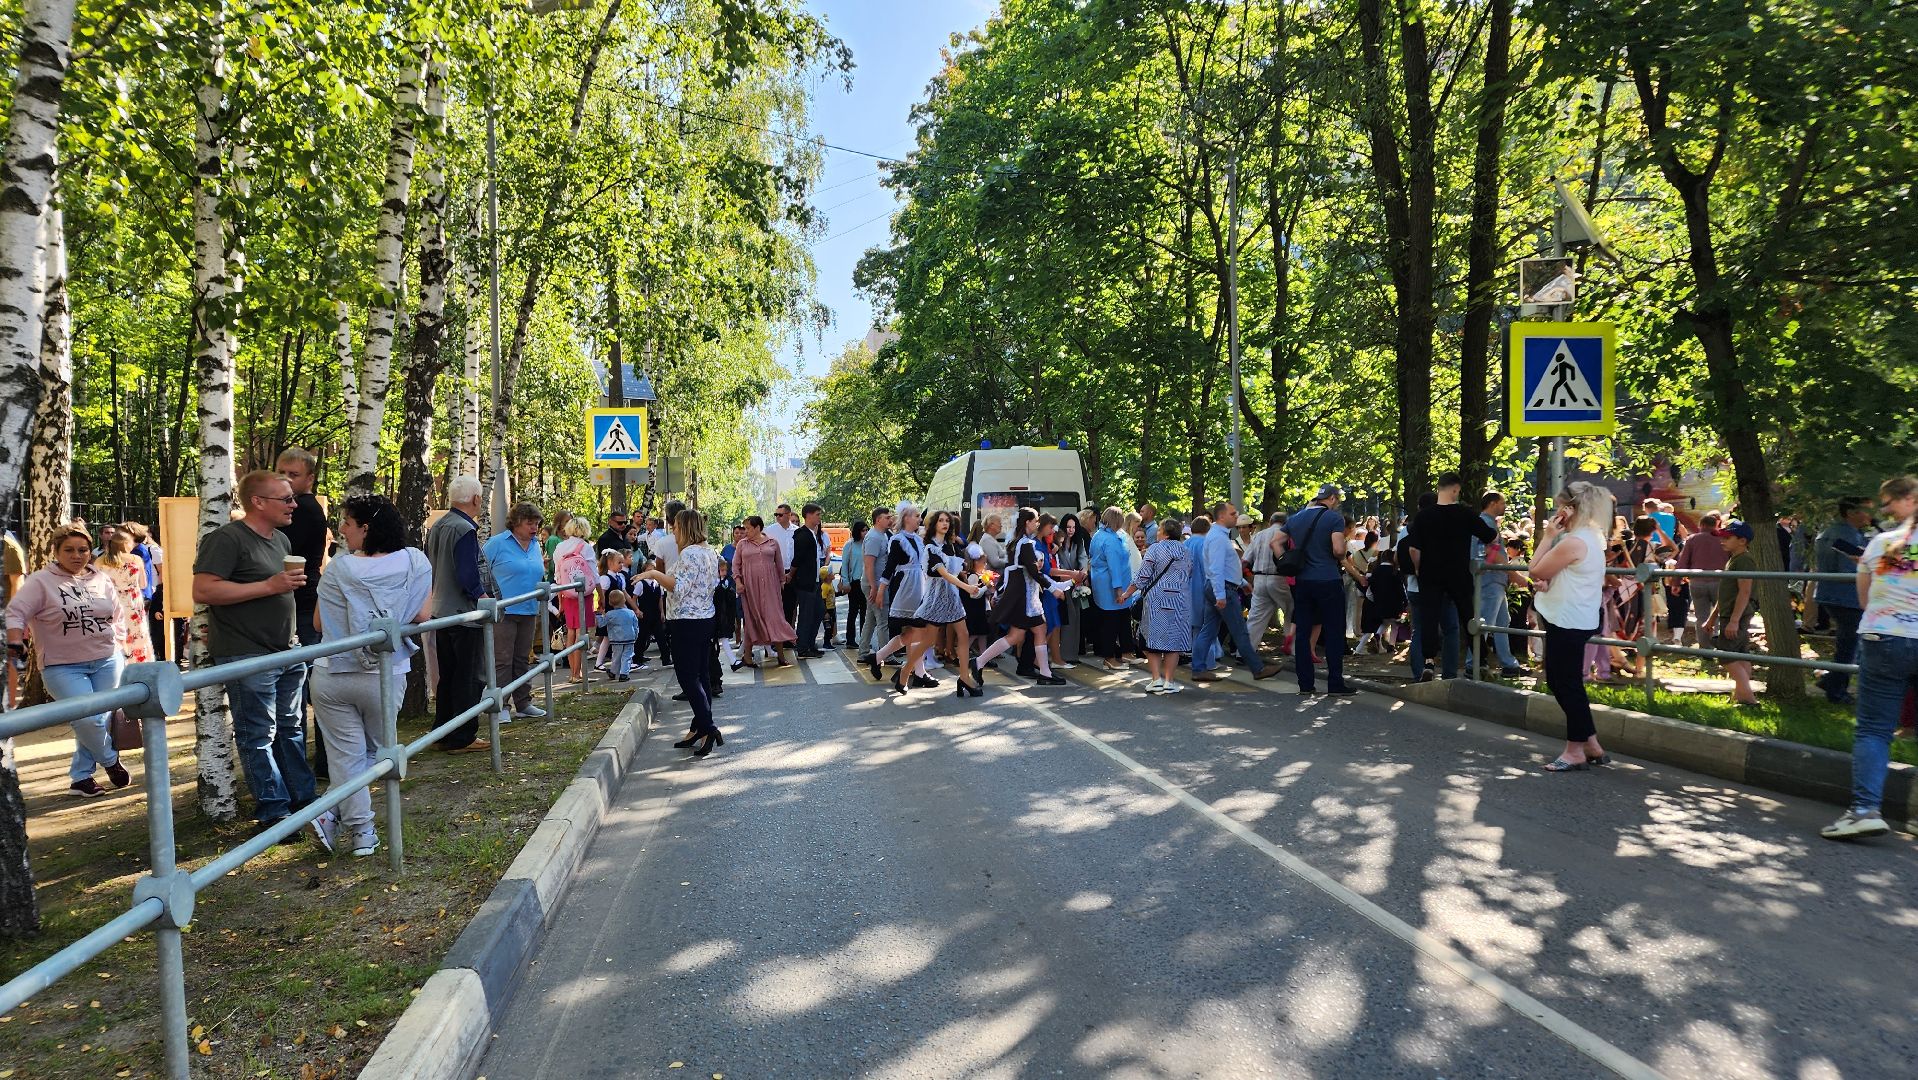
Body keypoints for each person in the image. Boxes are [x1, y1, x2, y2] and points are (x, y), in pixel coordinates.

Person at [193, 470, 323, 839]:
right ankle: (274, 812)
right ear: (258, 502)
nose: (294, 504)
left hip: (285, 651)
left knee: (291, 728)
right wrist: (269, 585)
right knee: (258, 734)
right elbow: (204, 590)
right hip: (246, 653)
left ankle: (304, 800)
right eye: (286, 499)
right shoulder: (227, 539)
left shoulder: (281, 539)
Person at [310, 495, 431, 857]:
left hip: (333, 672)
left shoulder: (339, 567)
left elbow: (318, 623)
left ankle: (353, 826)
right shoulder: (415, 562)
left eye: (347, 523)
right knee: (373, 753)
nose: (341, 530)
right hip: (385, 672)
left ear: (366, 528)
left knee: (346, 756)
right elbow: (422, 616)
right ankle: (347, 824)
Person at [1822, 475, 1918, 840]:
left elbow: (1864, 601)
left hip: (1885, 638)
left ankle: (1864, 810)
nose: (1885, 510)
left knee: (1875, 729)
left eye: (1889, 503)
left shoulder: (1880, 543)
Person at [7, 525, 132, 797]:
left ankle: (81, 778)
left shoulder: (100, 578)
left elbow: (117, 616)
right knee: (86, 718)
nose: (77, 555)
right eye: (69, 550)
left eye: (83, 550)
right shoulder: (40, 582)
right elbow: (16, 612)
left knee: (99, 719)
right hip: (62, 666)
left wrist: (120, 647)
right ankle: (111, 761)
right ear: (56, 551)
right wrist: (16, 640)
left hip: (107, 659)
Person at [1529, 481, 1615, 771]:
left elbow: (1535, 569)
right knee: (1563, 681)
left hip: (1567, 619)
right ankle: (1591, 744)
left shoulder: (1573, 541)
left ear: (1569, 508)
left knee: (1566, 683)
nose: (1556, 512)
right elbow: (1570, 575)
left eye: (1559, 506)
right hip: (1577, 617)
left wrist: (1547, 536)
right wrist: (1549, 582)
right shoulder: (1591, 537)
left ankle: (1575, 750)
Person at [635, 509, 723, 757]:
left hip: (686, 621)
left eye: (675, 527)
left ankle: (708, 728)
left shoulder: (690, 553)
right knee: (701, 675)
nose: (673, 532)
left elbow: (679, 587)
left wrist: (653, 574)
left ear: (685, 528)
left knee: (687, 677)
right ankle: (699, 727)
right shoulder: (709, 551)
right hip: (704, 618)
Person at [424, 477, 492, 753]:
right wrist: (481, 596)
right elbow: (467, 571)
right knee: (469, 676)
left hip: (440, 610)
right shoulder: (465, 529)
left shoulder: (438, 526)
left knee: (448, 675)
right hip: (464, 613)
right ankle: (462, 736)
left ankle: (442, 730)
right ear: (476, 499)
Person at [275, 448, 332, 776]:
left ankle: (320, 762)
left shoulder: (305, 510)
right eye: (281, 472)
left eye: (293, 474)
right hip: (296, 605)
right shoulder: (295, 508)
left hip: (303, 607)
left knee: (308, 690)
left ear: (310, 479)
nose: (285, 479)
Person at [1411, 472, 1496, 680]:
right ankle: (1481, 660)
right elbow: (1489, 535)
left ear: (1439, 489)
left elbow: (1414, 549)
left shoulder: (1423, 516)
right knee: (1468, 615)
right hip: (1458, 572)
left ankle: (1429, 661)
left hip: (1430, 573)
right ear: (1455, 490)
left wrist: (1418, 569)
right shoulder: (1465, 514)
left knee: (1430, 618)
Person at [973, 507, 1069, 686]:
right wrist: (1053, 589)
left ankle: (1044, 673)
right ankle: (979, 662)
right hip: (1025, 597)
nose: (1037, 523)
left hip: (1025, 595)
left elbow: (1025, 569)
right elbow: (1033, 571)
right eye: (1035, 520)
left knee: (1031, 631)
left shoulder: (1017, 542)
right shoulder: (1025, 543)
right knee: (1019, 635)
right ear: (1027, 522)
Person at [896, 510, 985, 697]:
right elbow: (944, 574)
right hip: (935, 598)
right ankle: (905, 671)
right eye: (941, 520)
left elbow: (957, 570)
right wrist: (967, 588)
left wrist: (976, 580)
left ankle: (964, 678)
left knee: (963, 634)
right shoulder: (930, 548)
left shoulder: (951, 546)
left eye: (947, 521)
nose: (945, 524)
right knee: (929, 640)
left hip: (952, 596)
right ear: (934, 524)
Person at [1192, 502, 1281, 683]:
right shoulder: (1218, 538)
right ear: (1221, 516)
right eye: (1233, 514)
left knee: (1209, 630)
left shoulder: (1217, 535)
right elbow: (1216, 569)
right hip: (1222, 588)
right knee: (1239, 630)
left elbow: (1223, 567)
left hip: (1219, 586)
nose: (1236, 516)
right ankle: (1258, 669)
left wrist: (1241, 582)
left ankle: (1198, 669)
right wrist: (1221, 595)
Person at [1286, 485, 1360, 696]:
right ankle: (1335, 683)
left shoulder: (1296, 518)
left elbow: (1276, 541)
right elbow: (1338, 549)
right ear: (1333, 498)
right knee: (1334, 631)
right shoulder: (1334, 518)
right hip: (1328, 579)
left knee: (1303, 632)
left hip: (1303, 581)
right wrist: (1341, 553)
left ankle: (1305, 684)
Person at [483, 503, 548, 719]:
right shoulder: (497, 543)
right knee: (503, 659)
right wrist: (487, 598)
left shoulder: (535, 545)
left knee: (522, 658)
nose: (534, 528)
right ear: (516, 522)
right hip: (504, 611)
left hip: (529, 609)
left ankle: (523, 702)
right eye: (530, 523)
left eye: (537, 523)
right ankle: (501, 706)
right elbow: (480, 569)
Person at [1119, 517, 1194, 694]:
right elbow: (1189, 573)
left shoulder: (1155, 549)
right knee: (1173, 643)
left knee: (1151, 641)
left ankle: (1156, 680)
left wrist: (1127, 593)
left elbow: (1142, 576)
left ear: (1166, 534)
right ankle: (1169, 682)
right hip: (1180, 601)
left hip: (1157, 600)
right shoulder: (1185, 550)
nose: (1157, 533)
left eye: (1159, 530)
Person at [1814, 497, 1874, 704]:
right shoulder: (1846, 535)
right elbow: (1850, 568)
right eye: (1866, 510)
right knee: (1850, 645)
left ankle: (1832, 681)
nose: (1870, 515)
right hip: (1846, 597)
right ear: (1851, 513)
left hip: (1834, 595)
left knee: (1848, 643)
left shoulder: (1833, 532)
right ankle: (1836, 690)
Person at [1704, 521, 1762, 707]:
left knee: (1726, 656)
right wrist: (1712, 617)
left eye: (1727, 538)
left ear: (1742, 541)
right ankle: (1740, 696)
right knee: (1741, 655)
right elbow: (1725, 594)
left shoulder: (1744, 560)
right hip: (1730, 614)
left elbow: (1744, 591)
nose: (1722, 541)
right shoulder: (1734, 559)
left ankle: (1749, 699)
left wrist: (1734, 620)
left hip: (1736, 615)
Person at [1473, 491, 1527, 676]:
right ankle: (1473, 663)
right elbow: (1489, 553)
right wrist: (1513, 574)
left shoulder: (1487, 523)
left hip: (1494, 579)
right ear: (1493, 503)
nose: (1505, 506)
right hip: (1491, 580)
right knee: (1486, 622)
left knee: (1502, 622)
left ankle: (1508, 663)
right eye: (1502, 503)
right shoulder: (1486, 524)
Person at [732, 515, 796, 667]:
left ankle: (781, 656)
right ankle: (748, 657)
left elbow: (779, 564)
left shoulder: (772, 542)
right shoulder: (742, 544)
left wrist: (782, 581)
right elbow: (735, 565)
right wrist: (738, 582)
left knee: (775, 618)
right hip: (750, 587)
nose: (745, 531)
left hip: (771, 586)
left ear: (757, 528)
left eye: (748, 528)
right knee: (751, 619)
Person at [95, 528, 154, 664]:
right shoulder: (135, 559)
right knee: (137, 634)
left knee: (115, 633)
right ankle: (139, 662)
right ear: (126, 544)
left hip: (110, 603)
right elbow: (143, 584)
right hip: (132, 602)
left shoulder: (100, 561)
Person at [1087, 507, 1133, 672]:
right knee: (1111, 623)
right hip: (1111, 586)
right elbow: (1114, 566)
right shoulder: (1111, 540)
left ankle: (1125, 652)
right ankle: (1109, 658)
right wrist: (1118, 590)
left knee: (1117, 618)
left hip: (1101, 583)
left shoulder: (1098, 535)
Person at [551, 517, 596, 680]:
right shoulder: (586, 547)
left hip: (566, 594)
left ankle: (573, 673)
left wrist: (561, 600)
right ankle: (579, 672)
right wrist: (601, 597)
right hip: (584, 593)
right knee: (581, 632)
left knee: (570, 631)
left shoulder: (560, 547)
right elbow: (594, 575)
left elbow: (558, 576)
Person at [1674, 512, 1728, 645]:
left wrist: (1676, 582)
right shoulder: (1723, 540)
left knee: (1701, 616)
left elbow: (1682, 562)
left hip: (1697, 582)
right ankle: (1721, 644)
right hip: (1720, 581)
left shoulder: (1693, 539)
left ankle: (1704, 647)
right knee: (1722, 614)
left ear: (1701, 525)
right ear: (1716, 525)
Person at [791, 503, 828, 657]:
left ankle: (810, 644)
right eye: (817, 514)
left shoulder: (813, 534)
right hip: (805, 582)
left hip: (815, 581)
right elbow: (797, 559)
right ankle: (802, 647)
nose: (819, 517)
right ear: (808, 515)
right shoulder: (802, 535)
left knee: (818, 611)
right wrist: (791, 575)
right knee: (806, 615)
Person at [860, 506, 894, 664]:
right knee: (882, 620)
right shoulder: (874, 537)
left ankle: (863, 652)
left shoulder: (882, 535)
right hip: (875, 584)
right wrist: (874, 587)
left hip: (876, 584)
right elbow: (869, 564)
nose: (890, 520)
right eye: (887, 517)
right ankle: (886, 655)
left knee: (871, 620)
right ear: (878, 520)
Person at [765, 503, 799, 627]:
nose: (777, 517)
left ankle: (788, 632)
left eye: (780, 515)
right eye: (776, 514)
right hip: (775, 572)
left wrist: (791, 574)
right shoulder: (769, 531)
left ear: (788, 515)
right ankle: (776, 633)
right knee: (776, 605)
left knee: (791, 605)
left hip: (793, 572)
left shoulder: (797, 531)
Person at [602, 590, 638, 680]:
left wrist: (599, 615)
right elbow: (635, 625)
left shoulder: (609, 614)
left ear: (610, 602)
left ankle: (613, 672)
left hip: (616, 639)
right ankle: (624, 674)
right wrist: (635, 635)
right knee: (627, 656)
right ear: (624, 600)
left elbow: (601, 624)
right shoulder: (631, 612)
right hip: (629, 638)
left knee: (616, 656)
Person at [844, 520, 869, 650]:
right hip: (854, 581)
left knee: (865, 612)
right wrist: (845, 581)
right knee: (853, 611)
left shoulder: (869, 544)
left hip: (866, 581)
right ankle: (850, 639)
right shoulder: (850, 544)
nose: (865, 532)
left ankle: (864, 639)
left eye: (867, 530)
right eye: (863, 530)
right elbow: (845, 564)